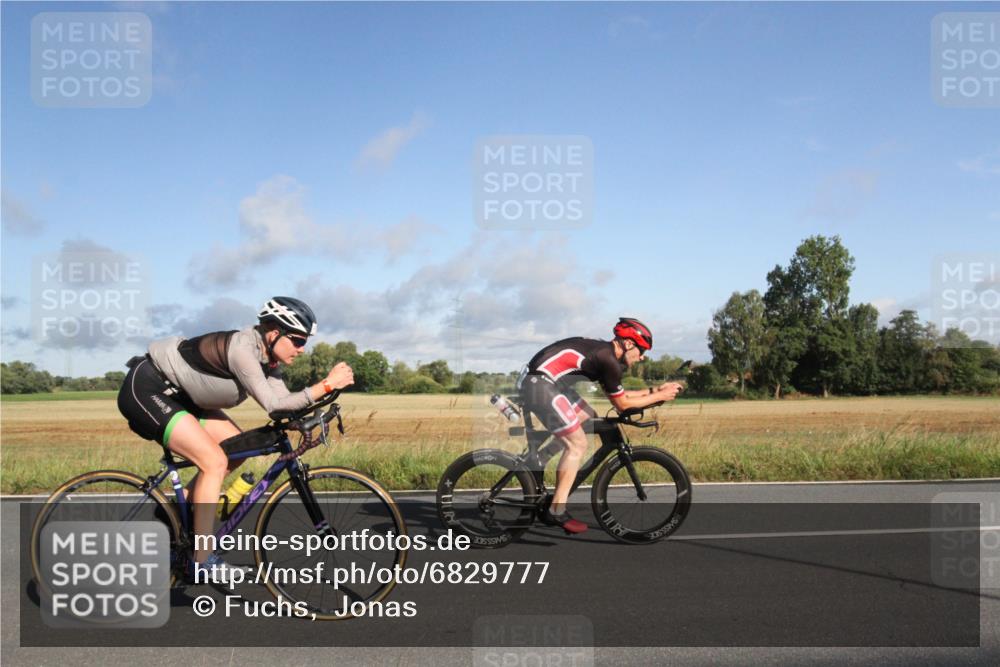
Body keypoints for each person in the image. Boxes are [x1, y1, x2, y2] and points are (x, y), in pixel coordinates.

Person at [117, 296, 354, 580]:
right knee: (214, 462)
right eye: (298, 340)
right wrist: (326, 384)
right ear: (273, 333)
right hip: (149, 390)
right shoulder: (243, 349)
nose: (302, 349)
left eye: (305, 342)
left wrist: (312, 415)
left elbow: (285, 403)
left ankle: (173, 519)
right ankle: (201, 560)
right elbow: (274, 406)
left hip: (184, 398)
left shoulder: (270, 363)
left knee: (237, 448)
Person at [519, 317, 683, 534]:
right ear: (628, 344)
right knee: (577, 444)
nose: (642, 357)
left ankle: (540, 458)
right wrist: (659, 396)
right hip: (539, 383)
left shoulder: (606, 356)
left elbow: (620, 396)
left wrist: (655, 392)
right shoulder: (607, 359)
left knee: (589, 418)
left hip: (547, 382)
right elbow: (623, 405)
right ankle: (556, 511)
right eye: (642, 350)